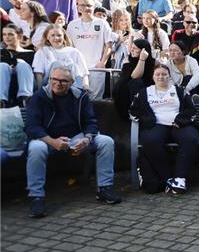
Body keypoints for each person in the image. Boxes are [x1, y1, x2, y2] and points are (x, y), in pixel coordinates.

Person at [25, 64, 122, 218]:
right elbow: (32, 127)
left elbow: (90, 121)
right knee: (36, 149)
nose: (57, 83)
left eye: (63, 81)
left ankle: (104, 188)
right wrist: (53, 142)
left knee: (106, 141)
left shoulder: (80, 96)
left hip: (76, 137)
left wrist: (86, 138)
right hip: (47, 138)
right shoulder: (39, 96)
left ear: (71, 83)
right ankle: (37, 197)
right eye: (54, 79)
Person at [129, 62, 199, 194]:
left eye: (164, 74)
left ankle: (180, 178)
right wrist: (147, 120)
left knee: (191, 138)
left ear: (169, 76)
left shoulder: (179, 91)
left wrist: (181, 120)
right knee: (151, 141)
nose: (161, 77)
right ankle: (168, 178)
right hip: (156, 125)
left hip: (176, 124)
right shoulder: (144, 92)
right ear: (153, 77)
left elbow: (191, 110)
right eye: (158, 74)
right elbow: (133, 111)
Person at [67, 0, 114, 99]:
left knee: (95, 99)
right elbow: (70, 46)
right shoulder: (72, 25)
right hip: (78, 69)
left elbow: (109, 45)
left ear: (94, 7)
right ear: (78, 7)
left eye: (89, 5)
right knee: (78, 98)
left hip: (96, 68)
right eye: (82, 5)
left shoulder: (102, 23)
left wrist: (103, 62)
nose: (86, 8)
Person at [32, 25, 89, 90]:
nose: (56, 38)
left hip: (71, 86)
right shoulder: (42, 52)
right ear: (47, 37)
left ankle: (76, 90)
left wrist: (86, 86)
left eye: (59, 35)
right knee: (56, 64)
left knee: (72, 65)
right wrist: (40, 90)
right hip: (50, 87)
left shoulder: (74, 51)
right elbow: (38, 73)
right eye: (53, 35)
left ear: (63, 36)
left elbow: (84, 73)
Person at [113, 38, 154, 119]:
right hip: (124, 90)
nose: (132, 50)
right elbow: (134, 76)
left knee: (137, 83)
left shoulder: (152, 62)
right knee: (135, 83)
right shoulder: (127, 59)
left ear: (143, 50)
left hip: (142, 89)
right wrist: (142, 59)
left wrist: (142, 59)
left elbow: (139, 77)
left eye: (135, 48)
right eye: (131, 47)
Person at [0, 23, 34, 107]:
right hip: (5, 81)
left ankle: (25, 98)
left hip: (27, 83)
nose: (7, 37)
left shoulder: (31, 53)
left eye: (10, 34)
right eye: (4, 34)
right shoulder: (1, 53)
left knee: (22, 65)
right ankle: (1, 101)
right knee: (3, 66)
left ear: (19, 36)